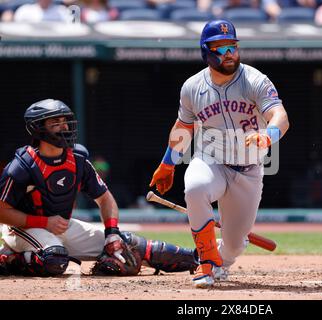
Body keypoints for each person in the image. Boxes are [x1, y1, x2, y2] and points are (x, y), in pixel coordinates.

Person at [149, 19, 289, 288]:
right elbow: (183, 127)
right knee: (195, 186)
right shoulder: (192, 87)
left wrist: (268, 135)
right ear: (206, 51)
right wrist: (168, 163)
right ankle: (206, 261)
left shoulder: (255, 80)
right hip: (210, 161)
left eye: (232, 47)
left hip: (248, 170)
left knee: (235, 245)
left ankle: (222, 258)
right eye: (221, 48)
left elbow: (280, 117)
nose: (229, 54)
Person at [0, 99, 198, 277]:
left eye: (65, 121)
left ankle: (199, 257)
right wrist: (44, 222)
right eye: (56, 123)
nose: (64, 127)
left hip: (61, 225)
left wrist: (112, 232)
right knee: (53, 260)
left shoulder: (77, 159)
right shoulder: (22, 167)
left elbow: (105, 199)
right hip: (22, 229)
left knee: (124, 247)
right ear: (38, 128)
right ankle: (8, 257)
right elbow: (2, 212)